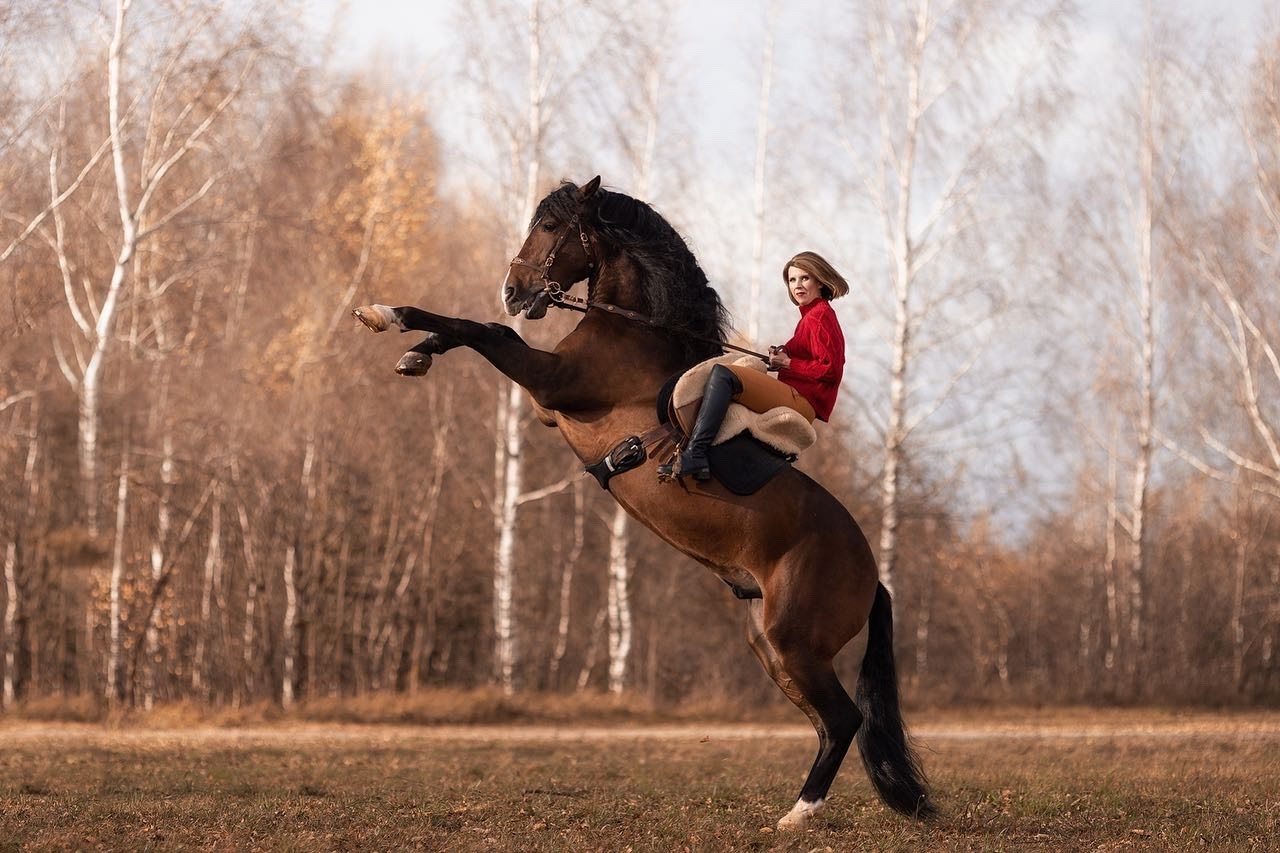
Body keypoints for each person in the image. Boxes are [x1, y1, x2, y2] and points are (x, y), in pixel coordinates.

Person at [667, 250, 848, 481]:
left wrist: (789, 363)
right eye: (792, 280)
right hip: (797, 395)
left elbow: (830, 370)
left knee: (725, 376)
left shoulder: (819, 317)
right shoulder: (811, 316)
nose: (797, 285)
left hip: (802, 401)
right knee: (735, 372)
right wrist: (781, 354)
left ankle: (696, 454)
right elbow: (804, 352)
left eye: (805, 278)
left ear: (820, 281)